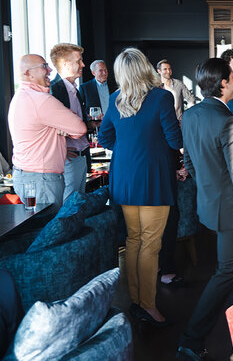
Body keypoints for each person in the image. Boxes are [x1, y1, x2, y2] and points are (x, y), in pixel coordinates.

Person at [177, 58, 233, 361]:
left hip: (210, 204)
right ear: (224, 83)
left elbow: (188, 160)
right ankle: (191, 339)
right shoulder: (228, 122)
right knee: (229, 272)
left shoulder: (190, 117)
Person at [97, 47, 182, 327]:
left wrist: (129, 147)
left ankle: (135, 301)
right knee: (150, 245)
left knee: (134, 240)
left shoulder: (115, 98)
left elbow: (104, 137)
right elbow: (173, 140)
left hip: (123, 176)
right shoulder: (161, 97)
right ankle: (146, 304)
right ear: (145, 67)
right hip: (154, 177)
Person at [8, 54, 86, 210]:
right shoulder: (41, 100)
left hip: (28, 175)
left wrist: (59, 129)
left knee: (38, 229)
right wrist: (62, 128)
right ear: (28, 73)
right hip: (41, 179)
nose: (50, 70)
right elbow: (79, 128)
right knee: (46, 231)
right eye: (44, 66)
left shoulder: (21, 97)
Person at [49, 43, 90, 202]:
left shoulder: (74, 89)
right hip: (67, 159)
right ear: (65, 64)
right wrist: (61, 151)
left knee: (78, 206)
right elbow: (48, 126)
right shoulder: (54, 90)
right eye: (78, 61)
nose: (83, 65)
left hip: (81, 156)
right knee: (67, 209)